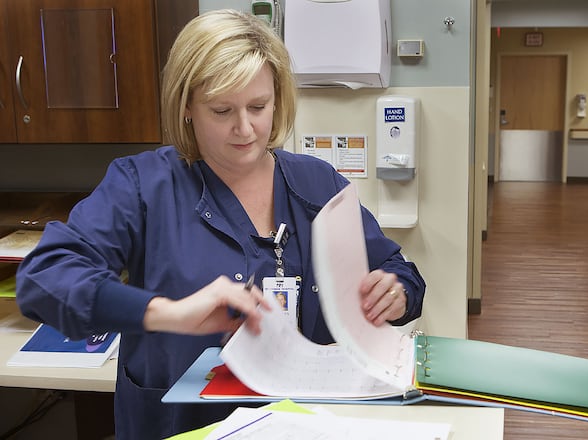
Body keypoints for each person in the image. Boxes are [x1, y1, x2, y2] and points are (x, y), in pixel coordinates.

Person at [15, 9, 426, 439]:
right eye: (222, 110)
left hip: (308, 425)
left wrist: (395, 292)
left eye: (258, 106)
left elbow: (402, 274)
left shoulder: (317, 183)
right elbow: (44, 279)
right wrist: (167, 314)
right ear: (188, 105)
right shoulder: (141, 186)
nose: (245, 129)